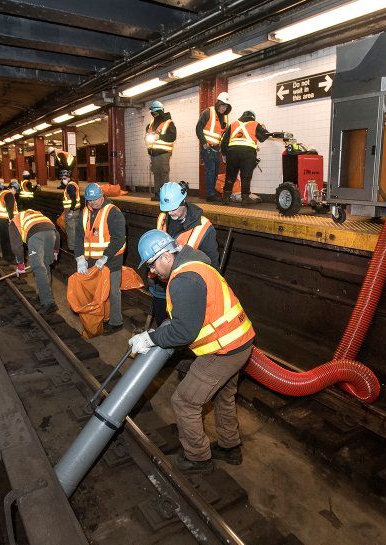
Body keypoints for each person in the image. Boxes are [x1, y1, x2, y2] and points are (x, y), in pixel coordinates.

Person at [129, 230, 255, 472]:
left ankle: (198, 457)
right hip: (240, 343)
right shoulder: (196, 265)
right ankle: (230, 448)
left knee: (185, 401)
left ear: (166, 256)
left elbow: (183, 332)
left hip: (223, 351)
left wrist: (150, 338)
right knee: (223, 395)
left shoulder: (185, 280)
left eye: (153, 264)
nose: (152, 271)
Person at [150, 181, 219, 326]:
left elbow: (213, 266)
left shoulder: (204, 227)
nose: (170, 213)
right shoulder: (163, 218)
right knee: (162, 324)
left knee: (180, 329)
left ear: (184, 201)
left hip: (185, 289)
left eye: (174, 208)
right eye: (167, 209)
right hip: (161, 286)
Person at [74, 183, 127, 335]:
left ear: (102, 196)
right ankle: (102, 318)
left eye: (95, 199)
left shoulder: (113, 212)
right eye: (90, 200)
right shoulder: (85, 212)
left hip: (111, 261)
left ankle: (116, 322)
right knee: (97, 292)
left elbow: (119, 239)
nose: (93, 203)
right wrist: (79, 258)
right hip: (91, 261)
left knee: (112, 292)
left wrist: (105, 256)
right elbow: (79, 236)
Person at [10, 209, 60, 314]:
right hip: (51, 233)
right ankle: (42, 295)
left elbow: (16, 246)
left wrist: (20, 264)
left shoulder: (14, 222)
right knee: (46, 266)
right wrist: (55, 250)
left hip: (35, 235)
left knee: (38, 267)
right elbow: (56, 233)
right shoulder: (37, 214)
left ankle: (48, 302)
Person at [220, 110, 271, 206]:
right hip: (247, 154)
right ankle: (245, 199)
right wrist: (264, 128)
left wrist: (224, 154)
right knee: (246, 177)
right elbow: (264, 137)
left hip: (232, 153)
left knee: (230, 176)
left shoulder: (233, 124)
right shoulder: (255, 124)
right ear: (253, 117)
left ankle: (225, 198)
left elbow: (223, 142)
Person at [195, 92, 231, 203]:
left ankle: (212, 193)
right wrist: (204, 142)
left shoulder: (224, 118)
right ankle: (210, 194)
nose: (224, 108)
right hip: (208, 148)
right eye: (222, 106)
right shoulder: (208, 112)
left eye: (226, 107)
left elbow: (223, 134)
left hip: (217, 149)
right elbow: (198, 128)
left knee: (215, 172)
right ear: (218, 104)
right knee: (210, 171)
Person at [145, 101, 177, 201]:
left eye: (156, 113)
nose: (154, 115)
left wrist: (159, 136)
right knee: (156, 173)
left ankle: (165, 195)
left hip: (163, 153)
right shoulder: (150, 124)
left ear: (161, 111)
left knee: (163, 173)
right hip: (153, 153)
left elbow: (172, 137)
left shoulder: (169, 123)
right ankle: (158, 194)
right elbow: (147, 136)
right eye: (153, 113)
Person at [0, 181, 19, 262]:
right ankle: (10, 257)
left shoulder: (0, 193)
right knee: (10, 239)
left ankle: (5, 256)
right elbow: (9, 209)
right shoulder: (9, 194)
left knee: (3, 239)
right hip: (5, 220)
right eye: (16, 190)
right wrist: (11, 220)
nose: (15, 193)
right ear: (13, 188)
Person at [59, 170, 81, 252]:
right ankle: (77, 245)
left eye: (64, 178)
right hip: (76, 211)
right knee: (75, 229)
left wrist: (71, 211)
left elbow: (74, 200)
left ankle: (72, 248)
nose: (62, 180)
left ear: (68, 177)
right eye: (62, 178)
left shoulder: (70, 186)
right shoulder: (73, 184)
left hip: (72, 211)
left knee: (71, 230)